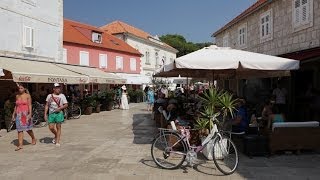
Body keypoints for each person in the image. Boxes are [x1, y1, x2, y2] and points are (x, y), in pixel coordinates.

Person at [11, 83, 36, 151]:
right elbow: (16, 106)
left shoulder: (28, 95)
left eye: (21, 88)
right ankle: (20, 145)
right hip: (19, 114)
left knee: (28, 129)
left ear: (24, 89)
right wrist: (13, 114)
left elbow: (30, 105)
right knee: (19, 130)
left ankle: (33, 138)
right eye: (19, 88)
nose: (20, 89)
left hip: (25, 114)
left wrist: (30, 114)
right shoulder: (17, 96)